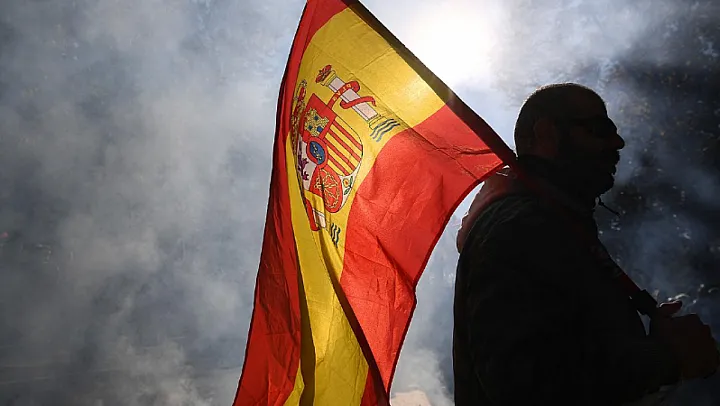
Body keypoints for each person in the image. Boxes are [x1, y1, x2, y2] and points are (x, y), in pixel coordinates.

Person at [452, 83, 719, 406]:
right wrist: (665, 358)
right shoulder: (523, 227)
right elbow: (523, 385)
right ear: (547, 134)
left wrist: (651, 347)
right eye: (600, 129)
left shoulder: (552, 222)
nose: (617, 143)